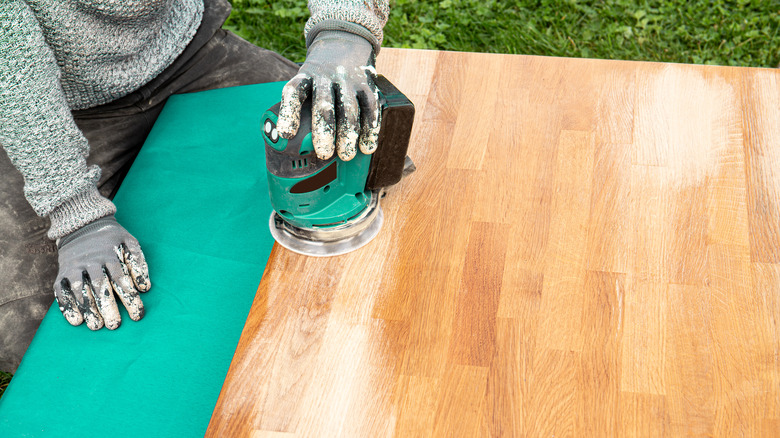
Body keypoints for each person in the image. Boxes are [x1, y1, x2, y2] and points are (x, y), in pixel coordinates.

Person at [0, 0, 389, 373]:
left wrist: (342, 36)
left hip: (184, 53)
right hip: (53, 104)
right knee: (35, 329)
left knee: (376, 156)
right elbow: (9, 54)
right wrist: (75, 213)